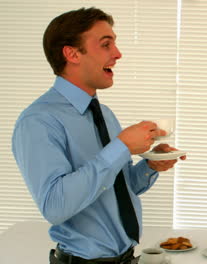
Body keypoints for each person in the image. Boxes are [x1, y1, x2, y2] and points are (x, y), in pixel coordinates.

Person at [11, 7, 185, 264]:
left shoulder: (105, 114)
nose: (118, 54)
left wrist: (150, 166)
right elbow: (55, 206)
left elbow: (119, 188)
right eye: (106, 45)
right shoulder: (39, 121)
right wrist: (122, 146)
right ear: (71, 53)